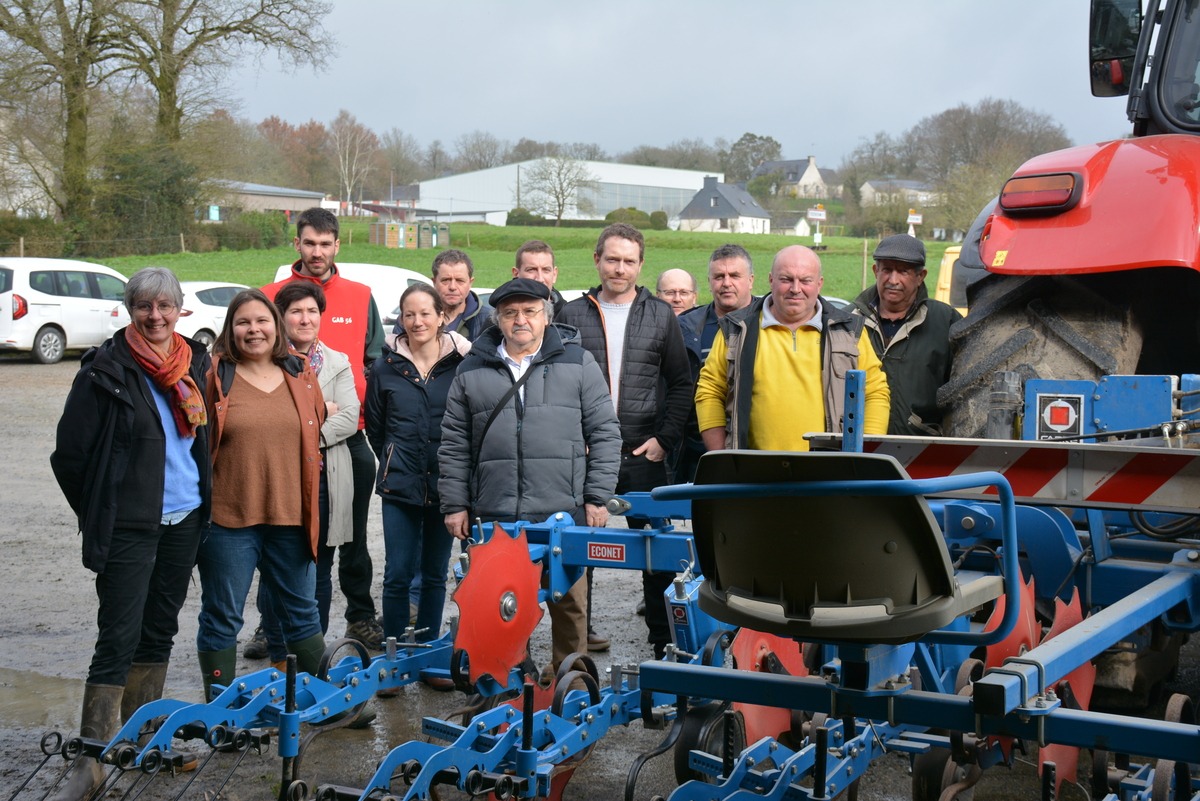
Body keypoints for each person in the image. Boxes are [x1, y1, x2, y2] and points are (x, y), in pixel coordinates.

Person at [50, 267, 210, 798]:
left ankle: (144, 743)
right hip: (130, 527)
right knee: (117, 636)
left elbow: (201, 444)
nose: (156, 316)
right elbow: (69, 457)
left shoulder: (194, 362)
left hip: (184, 519)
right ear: (130, 310)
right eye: (145, 306)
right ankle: (91, 760)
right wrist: (104, 511)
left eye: (166, 306)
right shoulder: (104, 369)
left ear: (180, 309)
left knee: (159, 630)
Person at [439, 278, 620, 677]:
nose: (520, 320)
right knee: (497, 605)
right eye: (510, 313)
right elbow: (454, 443)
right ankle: (502, 686)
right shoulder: (472, 368)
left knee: (569, 606)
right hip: (496, 511)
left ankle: (572, 688)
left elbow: (605, 431)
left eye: (530, 311)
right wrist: (455, 504)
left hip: (563, 509)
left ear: (545, 316)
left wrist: (597, 496)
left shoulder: (577, 361)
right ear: (498, 319)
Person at [557, 224, 693, 659]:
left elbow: (680, 383)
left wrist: (664, 440)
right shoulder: (571, 315)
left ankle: (662, 643)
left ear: (640, 265)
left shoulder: (660, 315)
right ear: (597, 260)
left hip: (642, 453)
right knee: (575, 553)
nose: (620, 268)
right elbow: (553, 383)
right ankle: (575, 648)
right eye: (612, 259)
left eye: (629, 261)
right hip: (584, 454)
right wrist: (570, 439)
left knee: (655, 553)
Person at [260, 207, 384, 652]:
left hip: (348, 438)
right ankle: (271, 623)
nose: (317, 251)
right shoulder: (268, 294)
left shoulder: (359, 294)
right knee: (281, 530)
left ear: (337, 244)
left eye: (325, 243)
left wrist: (341, 416)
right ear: (297, 243)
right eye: (309, 243)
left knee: (348, 536)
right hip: (286, 445)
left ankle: (360, 616)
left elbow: (375, 361)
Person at [196, 288, 326, 700]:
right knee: (223, 617)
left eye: (262, 321)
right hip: (229, 521)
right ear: (230, 330)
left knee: (303, 614)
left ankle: (327, 700)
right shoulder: (215, 375)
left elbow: (316, 425)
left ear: (276, 325)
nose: (254, 330)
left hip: (291, 517)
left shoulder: (300, 372)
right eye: (243, 322)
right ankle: (222, 711)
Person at [366, 284, 471, 691]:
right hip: (401, 486)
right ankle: (393, 663)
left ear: (442, 316)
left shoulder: (462, 363)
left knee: (433, 575)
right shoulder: (385, 367)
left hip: (447, 486)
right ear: (401, 320)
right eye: (409, 315)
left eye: (425, 313)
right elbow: (376, 428)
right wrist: (395, 459)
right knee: (397, 573)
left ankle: (426, 656)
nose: (417, 322)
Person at [250, 282, 360, 667]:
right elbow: (264, 421)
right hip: (278, 478)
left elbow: (349, 416)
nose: (305, 318)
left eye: (312, 311)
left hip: (326, 477)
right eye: (296, 311)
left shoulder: (337, 361)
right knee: (275, 564)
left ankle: (311, 654)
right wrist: (316, 415)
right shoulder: (264, 361)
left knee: (320, 565)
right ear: (281, 317)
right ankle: (279, 651)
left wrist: (305, 435)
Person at [695, 245, 891, 452]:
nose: (795, 289)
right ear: (771, 280)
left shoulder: (850, 332)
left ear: (819, 284)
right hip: (752, 472)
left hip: (832, 472)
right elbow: (709, 391)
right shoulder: (736, 329)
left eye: (805, 280)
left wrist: (863, 455)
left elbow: (875, 393)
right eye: (786, 279)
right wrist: (720, 456)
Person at [851, 234, 962, 435]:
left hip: (921, 451)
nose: (893, 280)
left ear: (921, 276)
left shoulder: (946, 322)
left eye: (903, 271)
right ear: (876, 271)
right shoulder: (849, 321)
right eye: (887, 270)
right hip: (857, 445)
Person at [674, 244, 757, 482]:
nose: (726, 283)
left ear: (750, 280)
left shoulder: (768, 323)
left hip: (755, 450)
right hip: (695, 452)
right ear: (709, 282)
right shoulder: (685, 328)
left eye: (735, 276)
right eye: (719, 276)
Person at [432, 248, 491, 340]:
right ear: (434, 282)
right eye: (446, 280)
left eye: (460, 280)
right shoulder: (417, 318)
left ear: (470, 283)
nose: (452, 287)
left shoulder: (488, 321)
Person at [513, 239, 568, 317]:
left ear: (554, 274)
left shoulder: (571, 317)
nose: (540, 279)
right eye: (531, 270)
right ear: (516, 274)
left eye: (546, 270)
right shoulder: (501, 319)